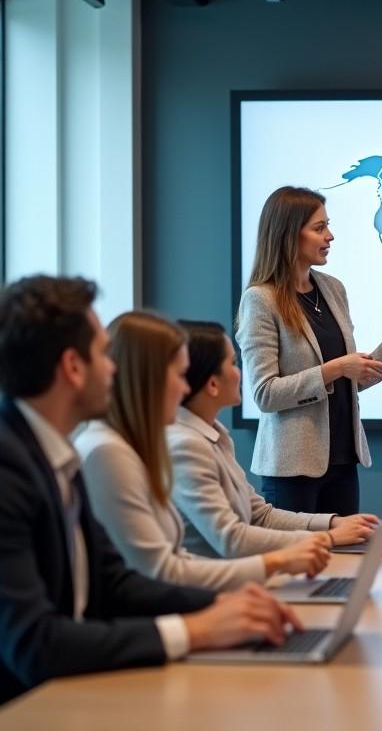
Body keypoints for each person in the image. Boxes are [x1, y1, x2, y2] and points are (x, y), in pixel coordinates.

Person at [0, 276, 302, 705]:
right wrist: (194, 630)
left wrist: (219, 604)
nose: (113, 369)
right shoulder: (17, 467)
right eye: (103, 354)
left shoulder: (55, 455)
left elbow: (115, 582)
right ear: (72, 366)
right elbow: (35, 642)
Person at [77, 311, 333, 591]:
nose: (186, 387)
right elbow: (160, 572)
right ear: (149, 379)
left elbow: (174, 559)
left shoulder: (128, 446)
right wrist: (280, 560)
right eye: (178, 375)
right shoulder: (109, 453)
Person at [237, 186, 382, 515]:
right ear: (288, 234)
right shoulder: (261, 299)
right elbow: (265, 394)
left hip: (343, 461)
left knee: (344, 564)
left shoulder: (332, 289)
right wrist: (336, 368)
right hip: (292, 469)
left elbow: (351, 379)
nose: (330, 236)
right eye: (319, 228)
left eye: (327, 226)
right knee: (299, 566)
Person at [169, 320, 379, 558]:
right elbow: (231, 539)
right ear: (213, 384)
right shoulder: (185, 446)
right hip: (215, 588)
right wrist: (327, 538)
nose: (241, 372)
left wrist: (332, 524)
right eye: (233, 363)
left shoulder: (215, 435)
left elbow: (260, 516)